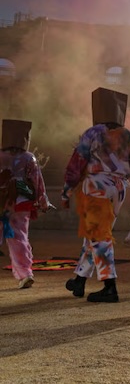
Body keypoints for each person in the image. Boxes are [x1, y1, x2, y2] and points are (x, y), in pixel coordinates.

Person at [62, 88, 130, 303]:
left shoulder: (93, 132)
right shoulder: (128, 135)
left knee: (99, 237)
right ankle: (79, 279)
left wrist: (67, 189)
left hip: (97, 185)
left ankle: (110, 286)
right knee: (96, 234)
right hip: (119, 188)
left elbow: (76, 162)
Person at [0, 119, 51, 289]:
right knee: (19, 237)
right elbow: (37, 182)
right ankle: (25, 274)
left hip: (1, 200)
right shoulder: (29, 157)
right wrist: (43, 201)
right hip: (21, 201)